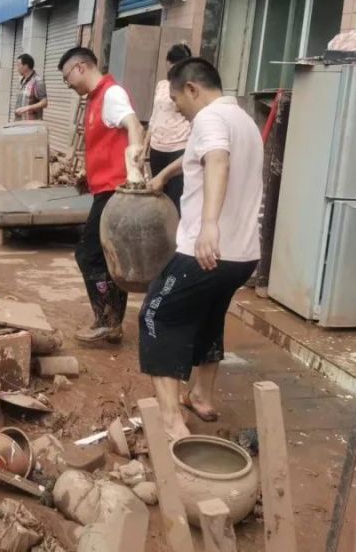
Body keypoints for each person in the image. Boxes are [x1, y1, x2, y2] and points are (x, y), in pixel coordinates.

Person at [143, 57, 262, 440]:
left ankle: (171, 420)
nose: (177, 109)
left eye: (178, 100)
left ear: (193, 89)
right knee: (208, 315)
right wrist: (163, 174)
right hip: (243, 256)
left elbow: (217, 160)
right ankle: (202, 394)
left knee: (156, 317)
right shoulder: (241, 119)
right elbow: (197, 153)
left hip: (205, 250)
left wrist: (208, 225)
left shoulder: (209, 120)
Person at [58, 47, 145, 346]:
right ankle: (114, 324)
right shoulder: (96, 100)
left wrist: (134, 170)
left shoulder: (111, 94)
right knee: (109, 260)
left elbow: (133, 125)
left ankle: (105, 320)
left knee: (88, 254)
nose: (68, 84)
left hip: (116, 193)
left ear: (80, 67)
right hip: (104, 189)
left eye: (67, 76)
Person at [143, 42, 193, 214]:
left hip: (179, 147)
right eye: (169, 63)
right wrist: (145, 147)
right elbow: (154, 116)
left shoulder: (190, 87)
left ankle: (175, 236)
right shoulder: (162, 85)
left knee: (175, 197)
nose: (171, 68)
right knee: (157, 194)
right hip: (157, 147)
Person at [14, 53, 48, 121]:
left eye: (18, 65)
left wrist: (27, 108)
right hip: (20, 122)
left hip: (31, 125)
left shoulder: (38, 81)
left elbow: (44, 103)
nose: (17, 68)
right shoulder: (22, 81)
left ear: (26, 66)